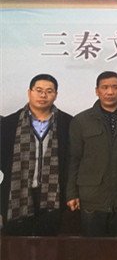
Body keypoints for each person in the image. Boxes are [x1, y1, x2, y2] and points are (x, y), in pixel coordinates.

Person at [66, 71, 117, 237]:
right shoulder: (81, 120)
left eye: (115, 87)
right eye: (105, 87)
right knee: (93, 247)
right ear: (97, 91)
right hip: (92, 195)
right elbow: (74, 159)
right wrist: (71, 193)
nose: (110, 92)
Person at [0, 74, 72, 235]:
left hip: (53, 194)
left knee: (50, 245)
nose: (43, 95)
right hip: (17, 192)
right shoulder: (8, 123)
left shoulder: (68, 123)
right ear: (29, 92)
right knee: (16, 244)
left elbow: (71, 160)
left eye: (49, 91)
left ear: (56, 95)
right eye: (39, 90)